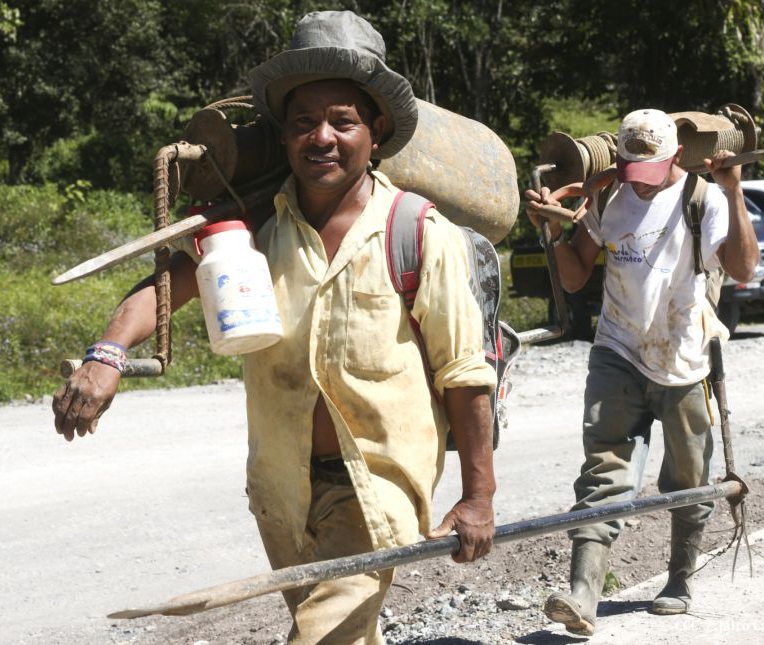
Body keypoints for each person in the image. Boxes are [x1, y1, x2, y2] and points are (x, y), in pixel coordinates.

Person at [53, 10, 498, 644]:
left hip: (377, 487)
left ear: (376, 130)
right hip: (280, 487)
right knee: (338, 631)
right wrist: (107, 353)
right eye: (303, 122)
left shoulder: (418, 233)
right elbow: (161, 290)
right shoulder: (254, 228)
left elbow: (464, 371)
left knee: (320, 637)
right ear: (284, 136)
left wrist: (478, 495)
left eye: (342, 121)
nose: (322, 137)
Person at [525, 108, 759, 636]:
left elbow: (744, 269)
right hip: (617, 351)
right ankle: (583, 593)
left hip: (684, 359)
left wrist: (735, 190)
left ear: (675, 156)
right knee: (602, 471)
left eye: (649, 170)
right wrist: (555, 233)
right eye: (630, 167)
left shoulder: (706, 199)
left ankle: (679, 580)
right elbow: (578, 273)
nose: (640, 181)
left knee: (688, 478)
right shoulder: (609, 194)